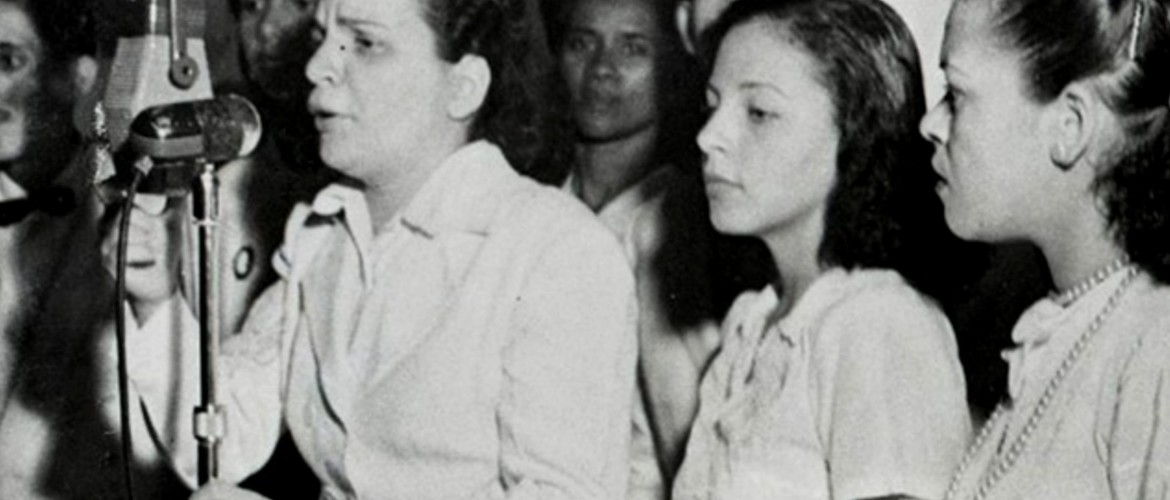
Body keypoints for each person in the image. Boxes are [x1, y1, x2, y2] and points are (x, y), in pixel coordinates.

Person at [117, 0, 639, 498]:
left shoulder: (556, 252)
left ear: (463, 87)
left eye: (365, 43)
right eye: (321, 37)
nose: (317, 66)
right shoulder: (323, 236)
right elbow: (225, 438)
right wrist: (156, 301)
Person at [672, 0, 978, 498]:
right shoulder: (750, 323)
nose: (709, 137)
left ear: (856, 128)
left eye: (758, 112)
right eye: (712, 107)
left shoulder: (878, 322)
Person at [920, 0, 1170, 497]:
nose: (931, 123)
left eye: (956, 95)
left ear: (1069, 126)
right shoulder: (1068, 322)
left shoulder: (1155, 346)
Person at [554, 0, 719, 496]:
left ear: (673, 70)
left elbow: (695, 451)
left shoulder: (682, 225)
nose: (602, 68)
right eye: (582, 43)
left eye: (633, 48)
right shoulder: (532, 216)